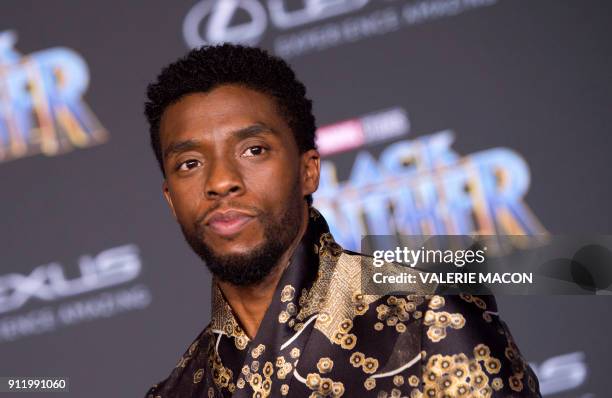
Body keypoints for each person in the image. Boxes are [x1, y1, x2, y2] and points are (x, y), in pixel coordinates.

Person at [142, 44, 541, 398]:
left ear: (308, 171)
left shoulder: (427, 317)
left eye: (254, 150)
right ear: (171, 200)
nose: (221, 181)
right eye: (189, 163)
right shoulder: (179, 389)